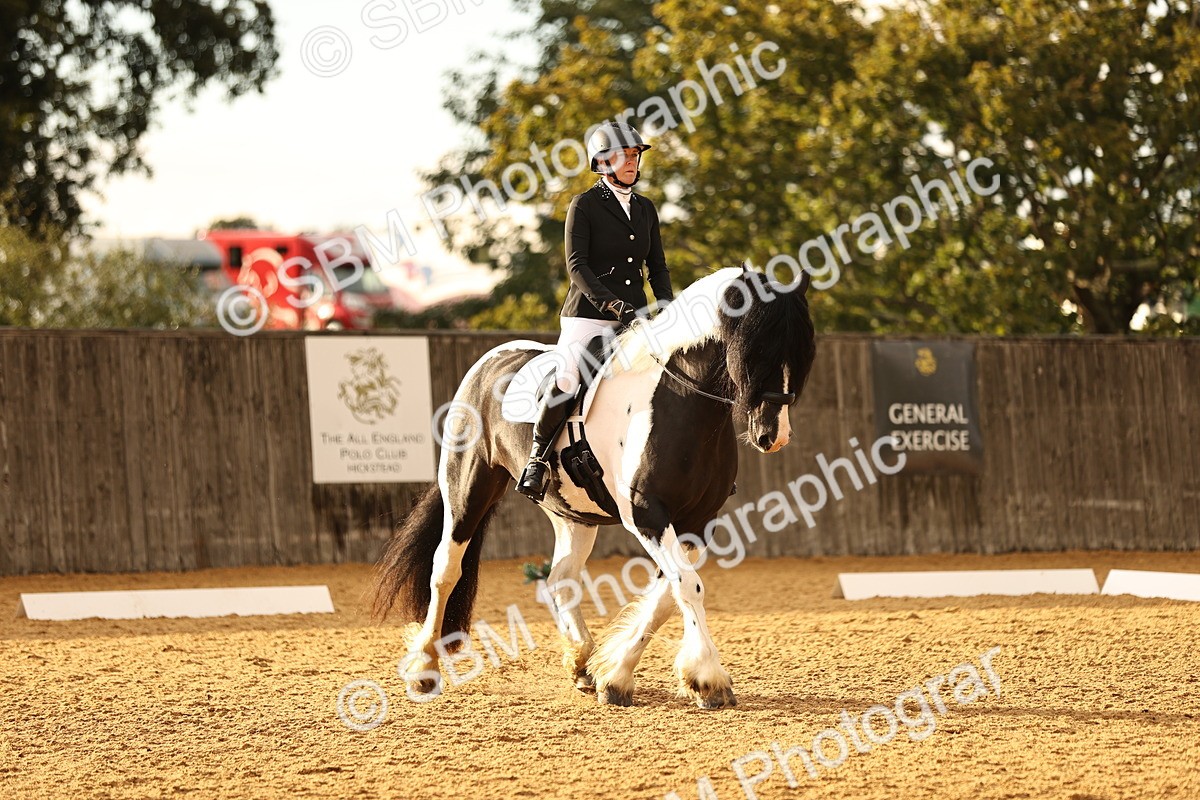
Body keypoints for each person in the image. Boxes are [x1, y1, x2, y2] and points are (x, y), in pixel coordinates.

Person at [514, 121, 675, 501]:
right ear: (603, 162)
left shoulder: (646, 208)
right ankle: (537, 458)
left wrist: (668, 308)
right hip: (588, 315)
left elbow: (658, 266)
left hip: (634, 318)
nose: (633, 162)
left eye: (635, 155)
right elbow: (577, 266)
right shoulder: (584, 205)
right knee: (569, 378)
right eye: (624, 156)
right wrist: (614, 304)